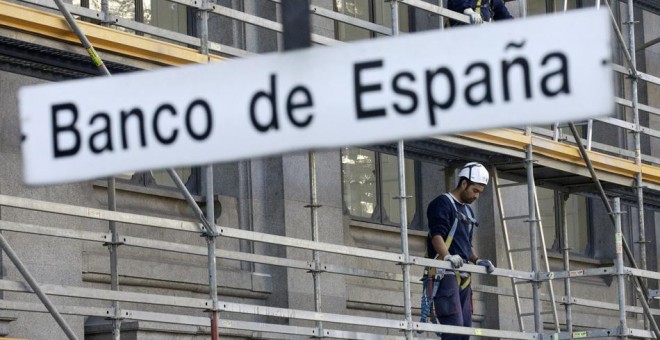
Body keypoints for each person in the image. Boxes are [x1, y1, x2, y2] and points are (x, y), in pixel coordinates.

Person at [422, 162, 495, 339]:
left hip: (463, 275)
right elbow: (437, 235)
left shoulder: (468, 212)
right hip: (445, 273)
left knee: (465, 331)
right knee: (454, 329)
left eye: (479, 192)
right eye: (475, 190)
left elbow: (465, 243)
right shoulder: (442, 203)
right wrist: (447, 256)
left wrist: (477, 260)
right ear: (464, 184)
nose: (477, 196)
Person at [447, 0, 513, 25]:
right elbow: (455, 2)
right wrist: (467, 10)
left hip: (480, 37)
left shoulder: (493, 1)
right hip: (461, 36)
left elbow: (505, 16)